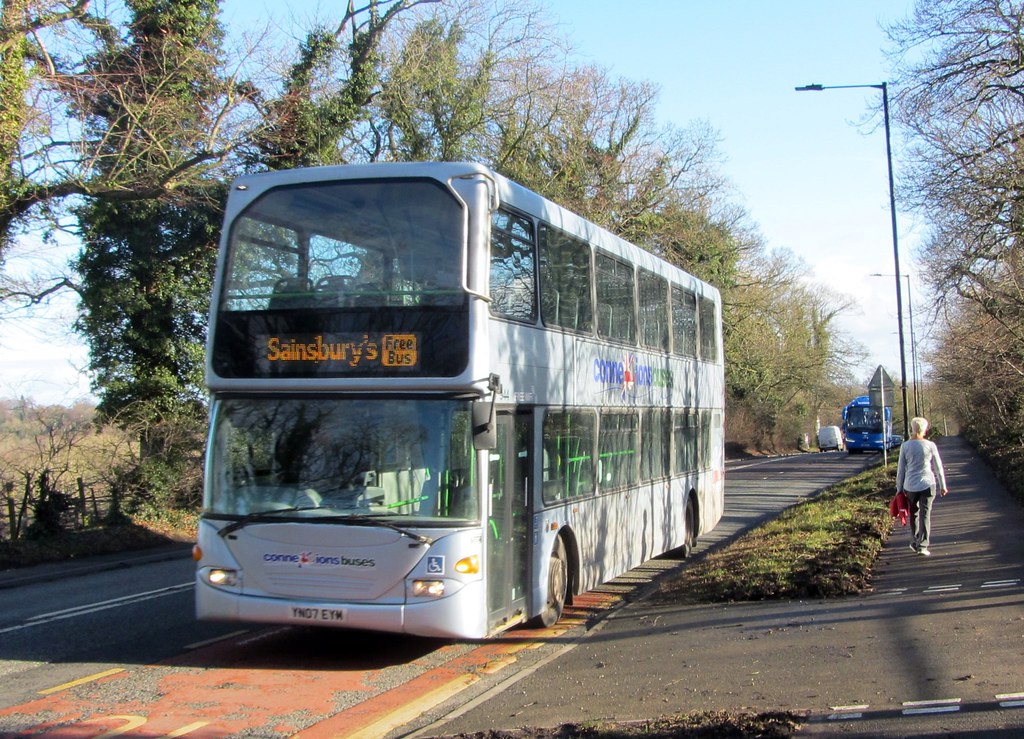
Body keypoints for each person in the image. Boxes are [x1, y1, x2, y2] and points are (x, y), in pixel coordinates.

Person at [895, 416, 949, 556]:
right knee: (925, 515)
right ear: (925, 430)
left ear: (912, 429)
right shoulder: (930, 445)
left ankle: (915, 540)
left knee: (914, 514)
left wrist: (899, 489)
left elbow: (901, 469)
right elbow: (938, 467)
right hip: (927, 484)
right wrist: (943, 485)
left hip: (910, 485)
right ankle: (923, 545)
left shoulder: (905, 446)